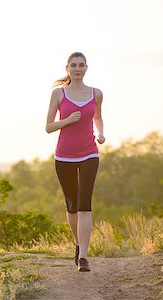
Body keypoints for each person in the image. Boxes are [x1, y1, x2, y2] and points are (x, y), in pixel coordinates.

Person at [45, 52, 105, 272]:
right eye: (73, 65)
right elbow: (48, 127)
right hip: (64, 157)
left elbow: (98, 117)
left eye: (81, 65)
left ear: (86, 67)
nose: (77, 68)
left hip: (90, 153)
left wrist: (101, 133)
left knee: (84, 203)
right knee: (71, 207)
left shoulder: (96, 94)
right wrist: (68, 120)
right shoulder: (58, 94)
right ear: (67, 68)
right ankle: (78, 244)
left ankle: (85, 258)